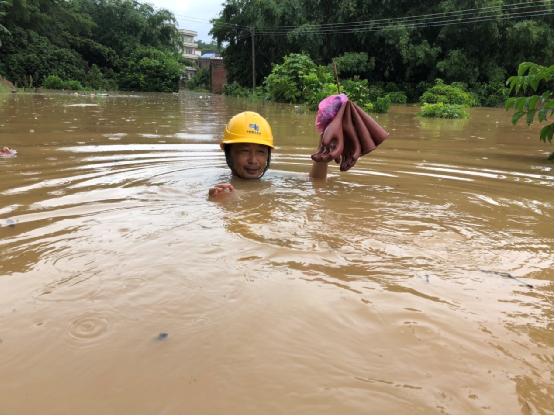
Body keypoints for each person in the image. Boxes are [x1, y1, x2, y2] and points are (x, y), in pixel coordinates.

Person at [209, 111, 328, 199]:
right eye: (244, 151)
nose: (253, 160)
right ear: (228, 153)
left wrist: (325, 144)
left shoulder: (276, 178)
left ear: (268, 155)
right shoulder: (217, 188)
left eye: (261, 152)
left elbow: (316, 181)